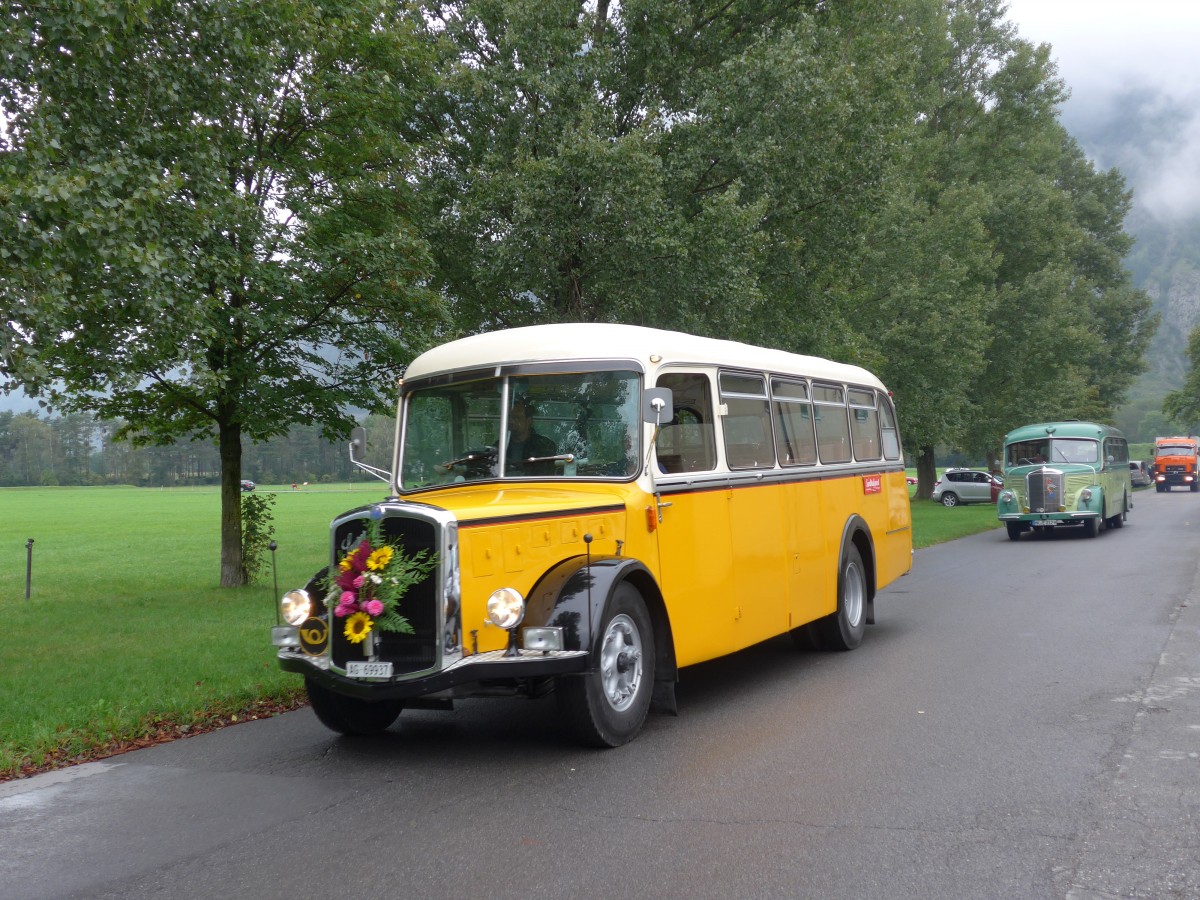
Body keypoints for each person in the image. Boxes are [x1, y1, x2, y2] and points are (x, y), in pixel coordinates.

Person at [506, 397, 557, 475]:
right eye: (509, 418)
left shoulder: (544, 446)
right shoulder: (500, 447)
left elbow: (546, 475)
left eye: (516, 418)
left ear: (528, 421)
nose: (511, 421)